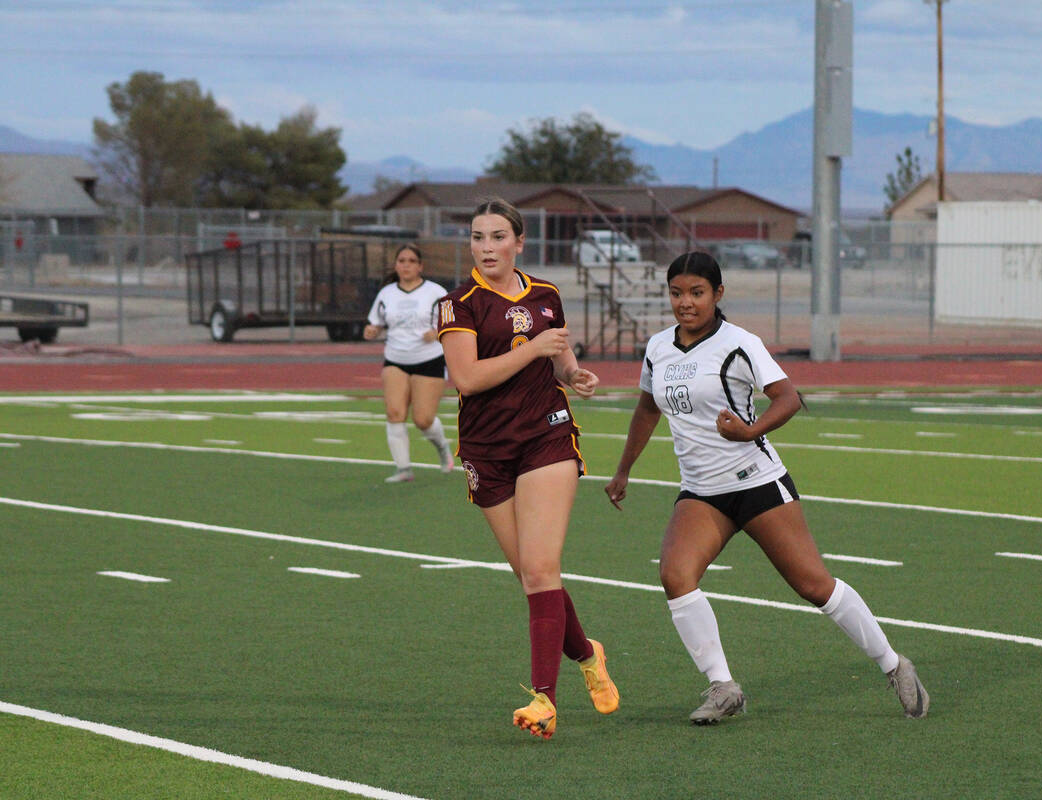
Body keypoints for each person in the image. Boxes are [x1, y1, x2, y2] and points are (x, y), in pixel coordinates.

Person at [604, 251, 929, 725]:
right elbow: (648, 409)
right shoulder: (658, 348)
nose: (686, 303)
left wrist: (749, 431)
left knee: (813, 585)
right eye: (677, 293)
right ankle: (723, 687)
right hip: (700, 492)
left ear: (718, 294)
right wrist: (623, 470)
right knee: (676, 576)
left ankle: (894, 665)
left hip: (756, 483)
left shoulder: (740, 343)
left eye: (697, 293)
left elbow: (789, 397)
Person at [435, 197, 618, 740]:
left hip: (546, 435)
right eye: (476, 237)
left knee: (541, 569)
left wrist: (574, 374)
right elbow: (466, 379)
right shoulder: (457, 304)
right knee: (532, 578)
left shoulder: (546, 295)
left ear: (519, 242)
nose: (486, 247)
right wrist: (535, 348)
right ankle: (587, 656)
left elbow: (559, 358)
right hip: (487, 449)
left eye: (496, 237)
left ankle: (544, 699)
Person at [364, 243, 456, 482]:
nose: (406, 265)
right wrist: (372, 330)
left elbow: (452, 323)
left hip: (428, 359)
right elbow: (376, 321)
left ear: (421, 266)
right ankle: (403, 469)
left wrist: (438, 332)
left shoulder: (435, 292)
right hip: (395, 358)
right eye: (402, 261)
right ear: (396, 265)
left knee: (423, 419)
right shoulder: (386, 293)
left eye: (411, 261)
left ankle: (442, 447)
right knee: (394, 412)